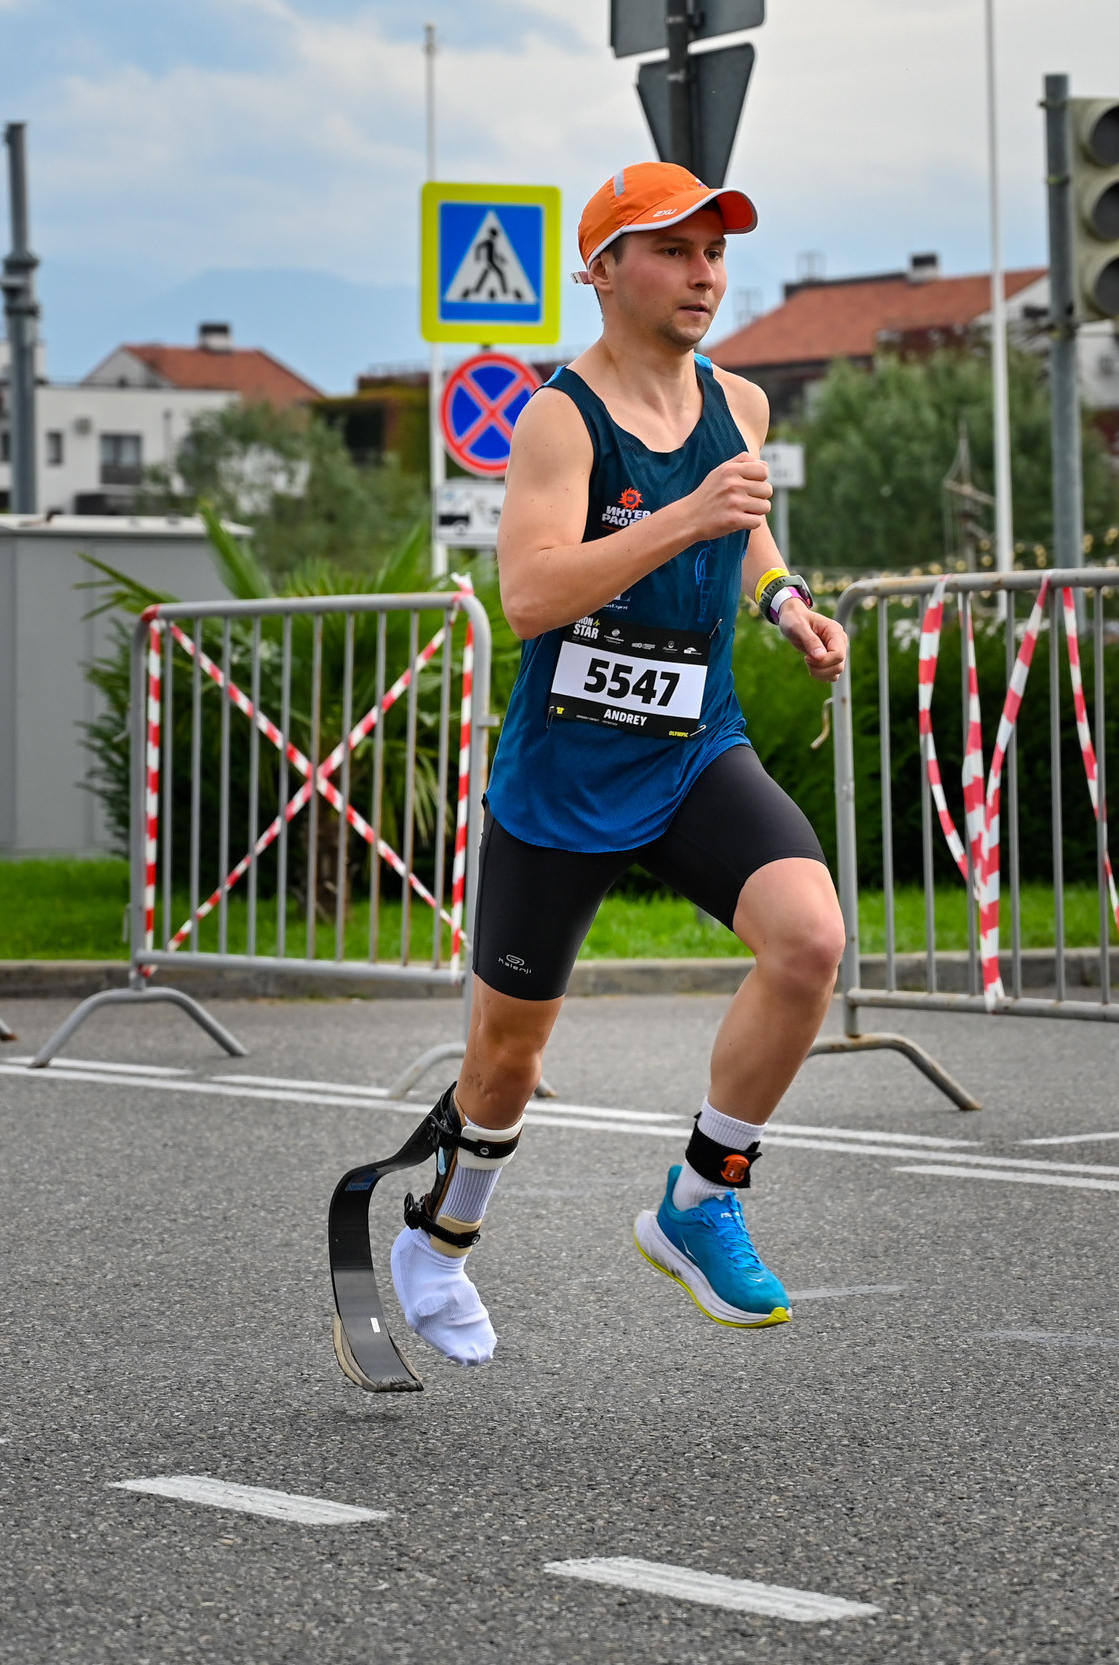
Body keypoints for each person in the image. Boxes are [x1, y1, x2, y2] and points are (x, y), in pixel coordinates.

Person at [386, 162, 851, 1372]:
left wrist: (783, 596)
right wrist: (683, 517)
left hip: (696, 745)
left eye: (714, 252)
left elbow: (741, 512)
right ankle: (442, 1238)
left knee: (808, 937)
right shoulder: (557, 418)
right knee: (505, 1062)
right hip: (567, 774)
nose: (703, 273)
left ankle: (701, 1196)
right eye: (673, 250)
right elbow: (531, 593)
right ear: (600, 271)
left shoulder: (734, 402)